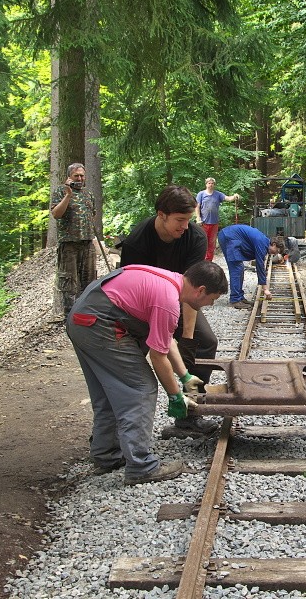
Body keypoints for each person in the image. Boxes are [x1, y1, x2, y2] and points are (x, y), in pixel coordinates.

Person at [66, 260, 228, 485]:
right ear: (201, 290)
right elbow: (157, 356)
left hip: (82, 318)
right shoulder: (168, 301)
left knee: (108, 392)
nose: (210, 305)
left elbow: (165, 338)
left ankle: (107, 455)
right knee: (141, 388)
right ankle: (141, 466)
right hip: (99, 323)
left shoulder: (170, 280)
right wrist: (175, 396)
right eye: (212, 299)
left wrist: (185, 377)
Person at [119, 185, 218, 435]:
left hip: (180, 297)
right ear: (161, 215)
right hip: (140, 304)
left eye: (188, 219)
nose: (185, 226)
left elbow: (194, 292)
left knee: (204, 341)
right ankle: (116, 428)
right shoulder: (138, 240)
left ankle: (189, 417)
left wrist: (186, 339)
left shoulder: (195, 237)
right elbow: (127, 282)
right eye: (180, 220)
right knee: (133, 354)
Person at [50, 163, 97, 316]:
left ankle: (87, 314)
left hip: (87, 244)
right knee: (69, 282)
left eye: (82, 175)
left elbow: (93, 215)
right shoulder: (60, 192)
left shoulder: (88, 194)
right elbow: (56, 214)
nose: (79, 178)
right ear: (69, 177)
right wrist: (68, 195)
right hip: (69, 244)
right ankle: (69, 316)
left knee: (89, 281)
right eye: (76, 175)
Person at [217, 224, 281, 308]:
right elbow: (260, 266)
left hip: (230, 235)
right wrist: (265, 289)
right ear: (274, 244)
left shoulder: (264, 242)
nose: (275, 254)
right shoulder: (262, 243)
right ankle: (235, 300)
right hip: (228, 236)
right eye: (276, 251)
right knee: (236, 269)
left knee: (239, 268)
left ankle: (239, 297)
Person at [195, 177, 241, 260]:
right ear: (206, 184)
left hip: (214, 223)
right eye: (209, 183)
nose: (210, 185)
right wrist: (198, 218)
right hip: (203, 223)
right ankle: (201, 260)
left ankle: (209, 261)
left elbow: (227, 198)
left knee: (212, 243)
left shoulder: (217, 194)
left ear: (214, 185)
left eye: (212, 183)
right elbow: (197, 206)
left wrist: (234, 196)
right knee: (202, 242)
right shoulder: (201, 194)